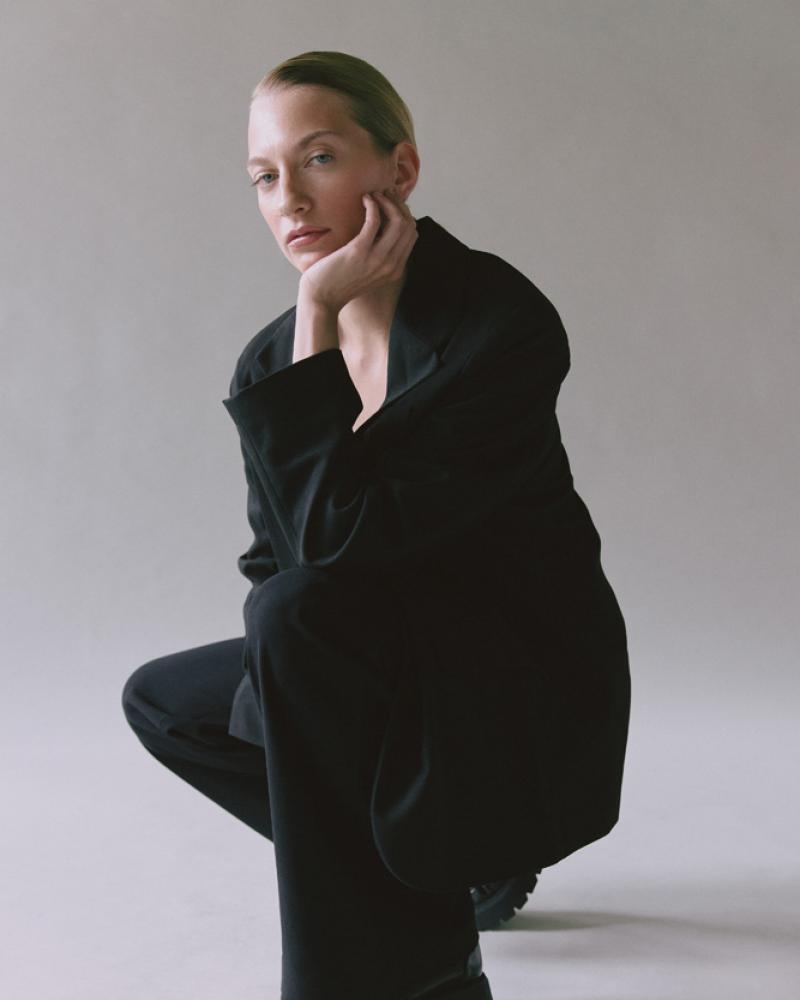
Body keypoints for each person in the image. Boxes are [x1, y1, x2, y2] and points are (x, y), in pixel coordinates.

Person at [121, 50, 632, 1000]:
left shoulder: (497, 322)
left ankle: (416, 965)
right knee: (167, 700)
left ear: (400, 169)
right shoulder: (275, 358)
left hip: (503, 676)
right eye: (264, 177)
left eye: (318, 158)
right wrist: (315, 320)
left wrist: (320, 298)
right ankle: (437, 882)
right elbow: (276, 558)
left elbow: (340, 551)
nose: (288, 199)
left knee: (295, 618)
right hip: (373, 662)